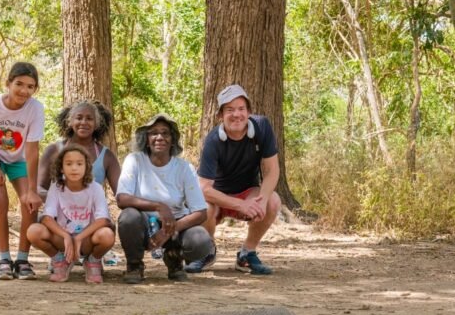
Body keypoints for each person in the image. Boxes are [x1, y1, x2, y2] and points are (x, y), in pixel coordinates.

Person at [193, 83, 281, 275]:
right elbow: (204, 188)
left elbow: (272, 171)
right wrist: (238, 205)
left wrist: (262, 201)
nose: (236, 115)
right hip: (217, 198)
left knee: (273, 201)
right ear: (220, 115)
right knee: (202, 205)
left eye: (241, 109)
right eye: (229, 110)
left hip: (247, 192)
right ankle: (206, 250)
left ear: (249, 111)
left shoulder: (262, 127)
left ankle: (247, 253)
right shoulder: (213, 141)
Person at [116, 114, 214, 284]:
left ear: (172, 140)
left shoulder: (184, 168)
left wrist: (169, 229)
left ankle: (174, 260)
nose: (159, 137)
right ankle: (134, 266)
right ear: (146, 140)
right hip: (143, 224)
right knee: (128, 216)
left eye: (165, 133)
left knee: (200, 240)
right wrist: (159, 206)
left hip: (175, 225)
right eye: (153, 133)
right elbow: (122, 199)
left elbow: (200, 212)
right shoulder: (135, 160)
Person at [0, 62, 45, 280]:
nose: (24, 90)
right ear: (8, 83)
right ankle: (4, 259)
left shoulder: (35, 109)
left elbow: (33, 150)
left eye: (30, 86)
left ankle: (23, 260)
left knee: (29, 203)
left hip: (19, 157)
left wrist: (33, 190)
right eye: (19, 84)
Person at [27, 144, 115, 284]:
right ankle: (60, 260)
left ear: (86, 167)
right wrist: (66, 236)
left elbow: (103, 220)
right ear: (61, 167)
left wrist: (79, 238)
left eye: (79, 164)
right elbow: (46, 218)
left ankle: (93, 261)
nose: (74, 168)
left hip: (87, 240)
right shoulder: (56, 188)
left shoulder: (95, 188)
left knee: (107, 235)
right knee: (34, 231)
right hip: (63, 241)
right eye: (68, 164)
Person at [37, 101, 121, 201]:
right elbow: (38, 188)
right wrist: (60, 199)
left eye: (89, 119)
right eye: (79, 118)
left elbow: (121, 192)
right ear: (70, 122)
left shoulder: (107, 156)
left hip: (93, 213)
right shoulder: (53, 150)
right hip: (59, 212)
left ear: (96, 124)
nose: (84, 122)